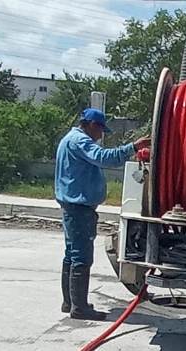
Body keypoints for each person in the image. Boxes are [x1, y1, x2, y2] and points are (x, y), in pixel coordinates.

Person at [55, 108, 150, 321]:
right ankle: (79, 308)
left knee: (71, 254)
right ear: (91, 125)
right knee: (81, 256)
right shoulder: (80, 142)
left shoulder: (69, 139)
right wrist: (133, 147)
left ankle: (70, 302)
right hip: (79, 209)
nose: (101, 135)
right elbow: (103, 157)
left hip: (73, 208)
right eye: (100, 130)